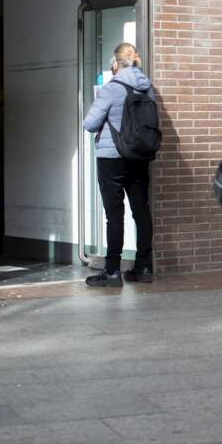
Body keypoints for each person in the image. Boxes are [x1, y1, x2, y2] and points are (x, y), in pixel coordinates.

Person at [82, 43, 156, 287]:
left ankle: (113, 272)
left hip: (111, 158)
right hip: (139, 156)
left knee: (114, 214)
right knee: (141, 211)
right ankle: (143, 267)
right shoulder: (147, 87)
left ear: (115, 63)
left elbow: (90, 123)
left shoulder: (111, 88)